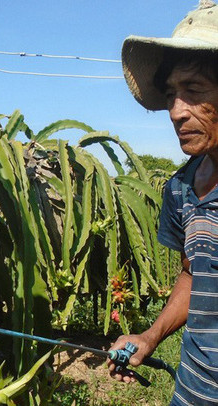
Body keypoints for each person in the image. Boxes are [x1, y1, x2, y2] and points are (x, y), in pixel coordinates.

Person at [108, 1, 218, 404]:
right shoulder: (181, 188)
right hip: (192, 390)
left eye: (193, 91)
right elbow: (195, 276)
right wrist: (150, 337)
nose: (175, 111)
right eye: (171, 93)